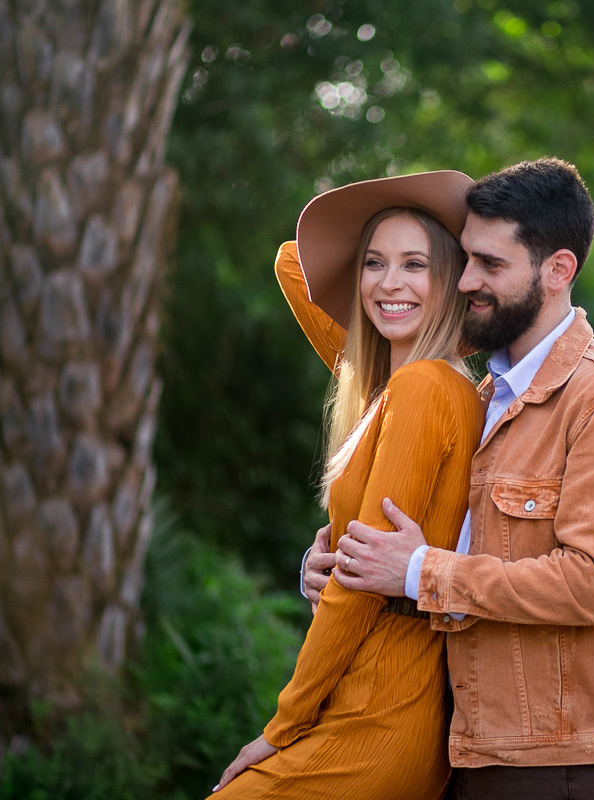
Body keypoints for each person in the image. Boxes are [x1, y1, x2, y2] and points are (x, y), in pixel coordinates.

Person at [308, 157, 594, 800]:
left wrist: (420, 570)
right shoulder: (484, 394)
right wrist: (350, 562)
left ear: (558, 270)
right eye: (466, 257)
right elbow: (459, 548)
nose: (466, 280)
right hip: (465, 750)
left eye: (491, 265)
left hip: (554, 768)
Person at [211, 170, 484, 800]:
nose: (390, 283)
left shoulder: (422, 389)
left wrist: (281, 726)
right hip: (374, 709)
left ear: (451, 280)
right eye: (372, 263)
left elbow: (359, 588)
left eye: (415, 264)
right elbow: (291, 265)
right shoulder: (397, 387)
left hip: (376, 718)